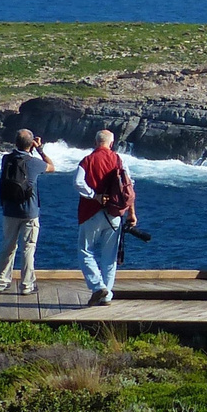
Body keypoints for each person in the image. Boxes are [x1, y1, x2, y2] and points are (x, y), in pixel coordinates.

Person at [75, 130, 134, 307]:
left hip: (90, 212)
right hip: (114, 213)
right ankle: (106, 296)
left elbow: (78, 182)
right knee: (109, 257)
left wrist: (94, 195)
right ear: (112, 142)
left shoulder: (87, 160)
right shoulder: (119, 160)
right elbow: (129, 187)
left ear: (95, 141)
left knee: (85, 250)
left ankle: (98, 286)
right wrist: (131, 213)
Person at [0, 129, 55, 295]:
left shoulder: (6, 159)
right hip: (30, 211)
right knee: (28, 249)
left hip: (9, 209)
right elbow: (52, 167)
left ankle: (1, 282)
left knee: (7, 246)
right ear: (31, 144)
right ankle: (27, 285)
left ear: (15, 143)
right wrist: (40, 149)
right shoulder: (34, 162)